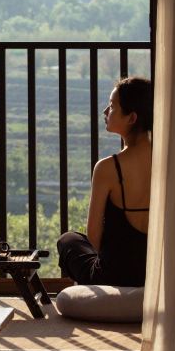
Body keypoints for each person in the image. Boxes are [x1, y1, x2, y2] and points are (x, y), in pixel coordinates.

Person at [56, 76, 153, 287]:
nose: (105, 111)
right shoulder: (169, 162)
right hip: (157, 271)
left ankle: (92, 291)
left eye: (112, 106)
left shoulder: (108, 168)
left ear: (131, 118)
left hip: (114, 275)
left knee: (69, 240)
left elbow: (93, 235)